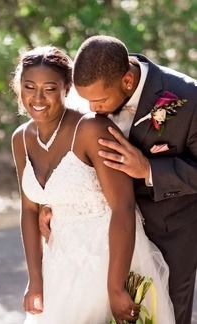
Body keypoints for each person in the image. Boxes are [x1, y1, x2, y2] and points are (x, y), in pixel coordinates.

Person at [11, 45, 175, 324]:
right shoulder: (20, 138)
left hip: (109, 260)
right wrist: (35, 280)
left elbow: (123, 207)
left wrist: (115, 287)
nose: (37, 98)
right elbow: (29, 210)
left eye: (49, 88)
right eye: (29, 86)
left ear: (67, 88)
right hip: (59, 264)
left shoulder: (91, 130)